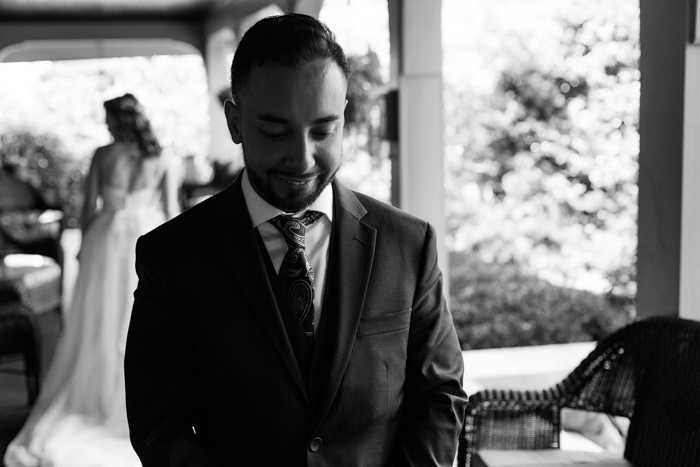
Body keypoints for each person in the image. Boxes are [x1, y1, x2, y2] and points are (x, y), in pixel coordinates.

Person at [124, 13, 468, 467]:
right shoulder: (171, 257)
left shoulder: (408, 243)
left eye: (323, 130)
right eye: (275, 131)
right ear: (235, 122)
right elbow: (159, 427)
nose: (302, 158)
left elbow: (439, 395)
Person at [5, 93, 180, 467]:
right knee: (138, 318)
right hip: (144, 237)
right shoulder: (163, 157)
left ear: (117, 120)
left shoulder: (104, 154)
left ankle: (97, 395)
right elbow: (172, 214)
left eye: (107, 119)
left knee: (99, 322)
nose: (104, 126)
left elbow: (87, 208)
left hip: (106, 241)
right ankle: (139, 401)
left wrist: (84, 249)